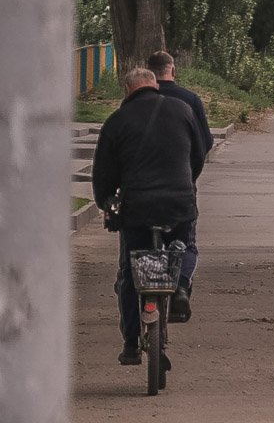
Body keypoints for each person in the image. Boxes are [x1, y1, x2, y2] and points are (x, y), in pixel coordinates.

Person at [92, 67, 206, 366]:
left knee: (131, 272)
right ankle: (180, 284)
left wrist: (106, 201)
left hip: (137, 208)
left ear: (128, 91)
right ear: (154, 86)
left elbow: (103, 173)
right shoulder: (183, 109)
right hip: (179, 203)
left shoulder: (117, 121)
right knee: (186, 247)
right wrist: (185, 183)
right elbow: (198, 154)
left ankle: (131, 344)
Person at [147, 51, 211, 321]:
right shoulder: (190, 100)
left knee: (137, 243)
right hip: (181, 185)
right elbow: (203, 143)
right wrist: (190, 176)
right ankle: (181, 286)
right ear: (172, 69)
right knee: (185, 243)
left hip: (144, 187)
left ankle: (130, 283)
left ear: (149, 72)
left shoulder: (138, 100)